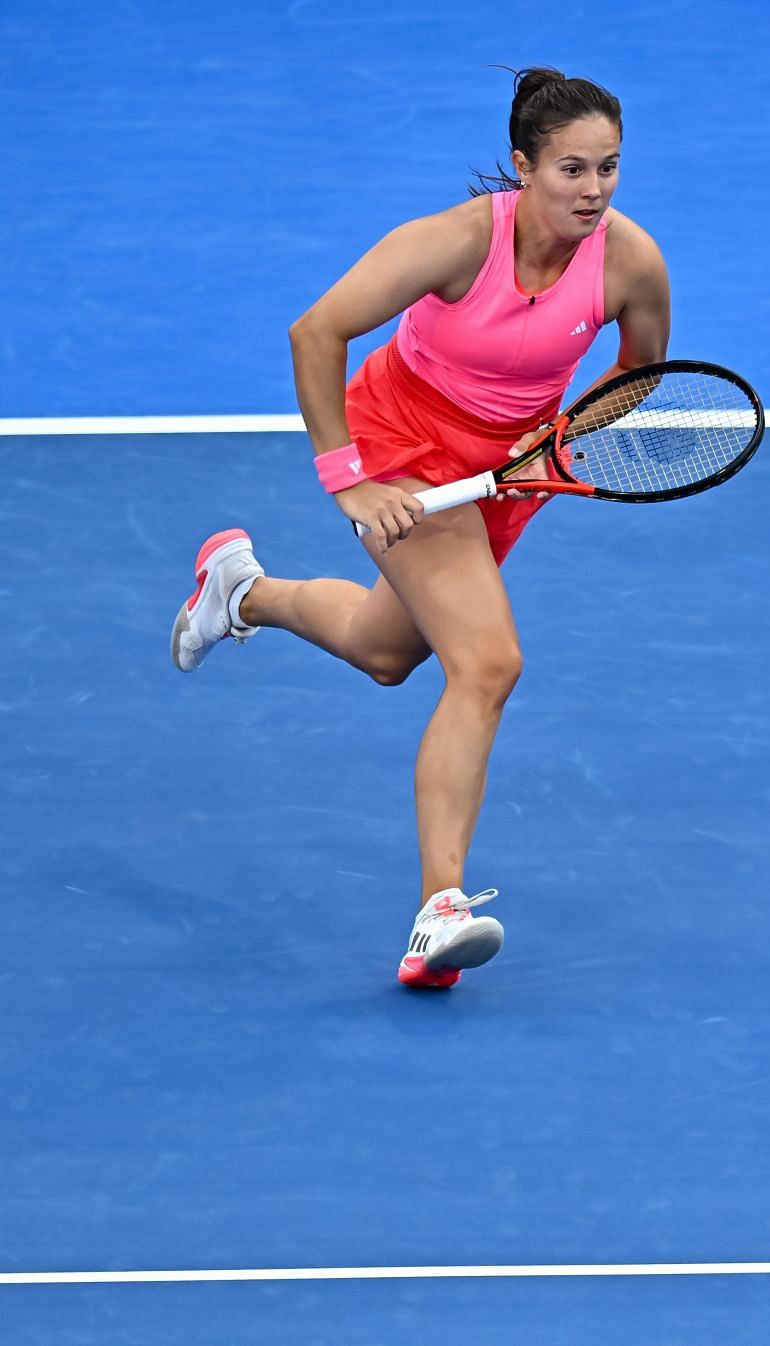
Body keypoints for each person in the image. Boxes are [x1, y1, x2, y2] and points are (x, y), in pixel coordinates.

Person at [170, 67, 671, 988]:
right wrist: (347, 482)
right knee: (487, 663)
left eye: (607, 168)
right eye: (569, 169)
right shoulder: (450, 243)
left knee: (386, 651)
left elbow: (638, 373)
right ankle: (440, 911)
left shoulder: (631, 261)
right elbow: (314, 332)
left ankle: (241, 590)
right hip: (399, 440)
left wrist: (558, 435)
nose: (592, 190)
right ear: (523, 166)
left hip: (505, 471)